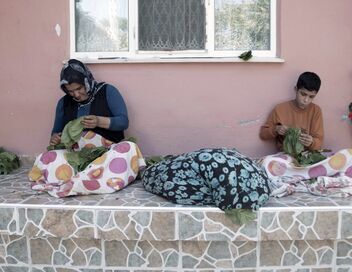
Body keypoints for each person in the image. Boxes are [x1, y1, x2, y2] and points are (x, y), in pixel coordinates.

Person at [28, 59, 145, 197]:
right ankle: (89, 180)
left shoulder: (107, 91)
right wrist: (55, 139)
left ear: (87, 81)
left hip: (106, 156)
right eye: (70, 91)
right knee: (47, 157)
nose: (76, 94)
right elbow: (56, 132)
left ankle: (80, 181)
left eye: (79, 88)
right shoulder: (63, 103)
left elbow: (123, 122)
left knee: (128, 148)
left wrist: (98, 121)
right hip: (76, 158)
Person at [259, 71, 323, 151]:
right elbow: (263, 134)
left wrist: (311, 142)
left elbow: (319, 142)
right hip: (285, 155)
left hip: (307, 155)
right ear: (296, 89)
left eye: (311, 97)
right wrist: (276, 129)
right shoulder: (280, 109)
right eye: (303, 94)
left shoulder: (316, 111)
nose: (306, 100)